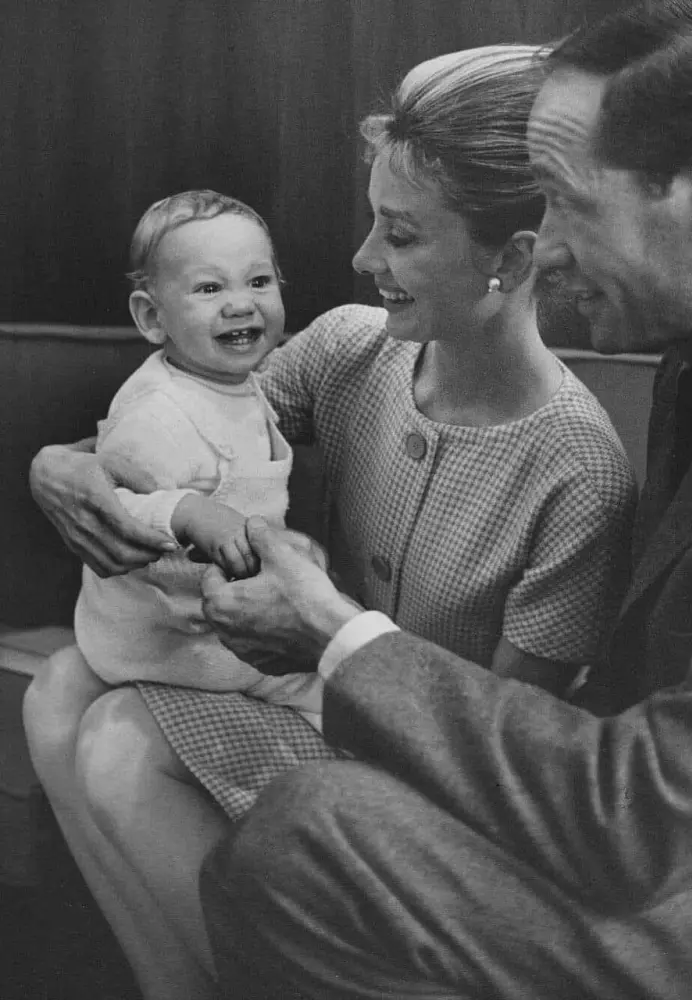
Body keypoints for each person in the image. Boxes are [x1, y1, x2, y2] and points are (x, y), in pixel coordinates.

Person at [195, 1, 692, 997]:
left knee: (307, 834)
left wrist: (335, 634)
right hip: (668, 835)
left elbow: (660, 812)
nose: (541, 248)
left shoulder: (612, 433)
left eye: (564, 201)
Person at [23, 45, 636, 1000]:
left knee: (113, 740)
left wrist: (325, 634)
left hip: (426, 788)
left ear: (512, 258)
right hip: (305, 707)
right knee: (60, 688)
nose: (361, 258)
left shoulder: (578, 470)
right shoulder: (355, 349)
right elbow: (176, 433)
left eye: (401, 233)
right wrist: (56, 465)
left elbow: (511, 751)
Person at [74, 189, 327, 731]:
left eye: (258, 281)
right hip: (167, 640)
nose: (240, 304)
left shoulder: (234, 383)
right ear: (152, 317)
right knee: (336, 690)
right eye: (210, 288)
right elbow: (109, 506)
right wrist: (188, 512)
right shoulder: (159, 413)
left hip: (206, 609)